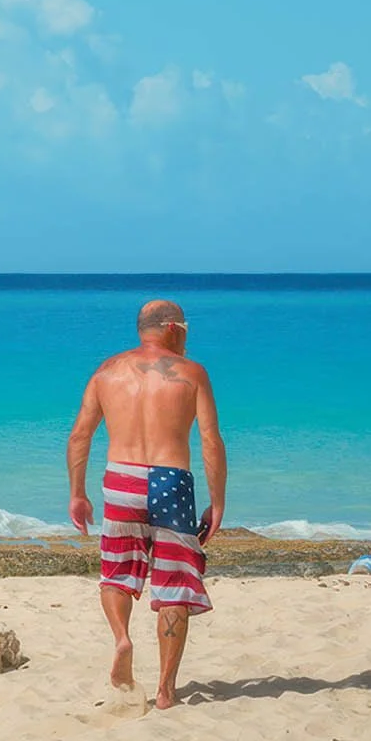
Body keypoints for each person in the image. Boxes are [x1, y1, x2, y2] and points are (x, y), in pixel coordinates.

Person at [66, 299, 226, 709]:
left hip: (121, 477)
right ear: (172, 328)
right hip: (170, 480)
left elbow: (80, 436)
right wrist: (217, 501)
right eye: (186, 326)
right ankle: (166, 691)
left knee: (117, 573)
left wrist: (78, 493)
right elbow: (210, 440)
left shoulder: (106, 371)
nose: (188, 334)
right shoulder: (192, 374)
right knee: (174, 586)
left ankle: (122, 639)